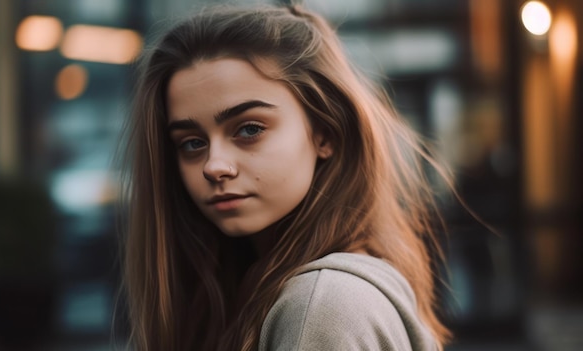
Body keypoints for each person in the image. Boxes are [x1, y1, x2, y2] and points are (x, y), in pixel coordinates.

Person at [118, 3, 452, 350]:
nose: (213, 166)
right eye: (191, 143)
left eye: (249, 129)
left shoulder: (320, 306)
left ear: (324, 133)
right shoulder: (256, 290)